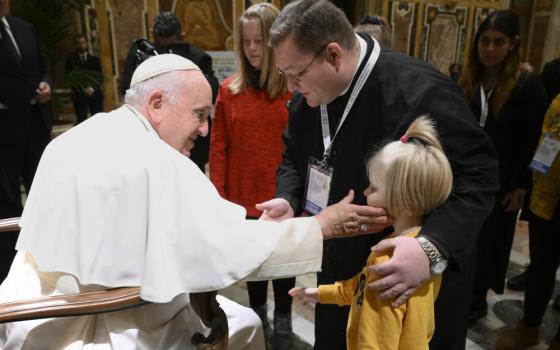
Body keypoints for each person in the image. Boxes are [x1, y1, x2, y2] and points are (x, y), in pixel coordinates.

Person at [0, 53, 380, 349]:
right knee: (246, 325)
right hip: (104, 319)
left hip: (28, 312)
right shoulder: (159, 162)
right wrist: (320, 226)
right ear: (157, 102)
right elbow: (225, 249)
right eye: (199, 114)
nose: (204, 128)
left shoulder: (72, 138)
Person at [258, 1, 499, 349]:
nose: (291, 87)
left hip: (409, 280)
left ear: (333, 55)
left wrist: (430, 247)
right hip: (341, 268)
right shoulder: (308, 97)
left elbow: (479, 176)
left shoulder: (420, 91)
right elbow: (293, 158)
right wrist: (288, 198)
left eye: (296, 74)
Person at [290, 116, 453, 350]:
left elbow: (376, 341)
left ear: (406, 201)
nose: (365, 191)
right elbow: (362, 287)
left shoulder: (388, 258)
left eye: (374, 187)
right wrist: (322, 293)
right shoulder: (421, 251)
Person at [208, 3, 294, 349]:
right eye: (246, 42)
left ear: (274, 42)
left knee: (286, 263)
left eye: (260, 41)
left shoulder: (293, 91)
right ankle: (258, 316)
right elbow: (219, 149)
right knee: (254, 267)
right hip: (243, 198)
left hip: (283, 196)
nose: (253, 49)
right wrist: (218, 198)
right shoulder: (230, 91)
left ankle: (285, 321)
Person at [457, 10, 548, 326]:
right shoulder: (469, 79)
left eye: (498, 42)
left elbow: (532, 138)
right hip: (466, 175)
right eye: (485, 41)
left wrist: (521, 184)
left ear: (513, 43)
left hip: (504, 180)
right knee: (465, 236)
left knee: (491, 243)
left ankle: (477, 298)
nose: (490, 49)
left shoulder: (527, 83)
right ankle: (460, 291)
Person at [495, 92, 560, 350]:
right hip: (548, 195)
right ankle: (529, 325)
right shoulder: (556, 87)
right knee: (541, 264)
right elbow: (538, 137)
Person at [119, 11, 218, 172]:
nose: (166, 51)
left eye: (171, 45)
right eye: (161, 45)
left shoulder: (198, 58)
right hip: (153, 140)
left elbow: (212, 90)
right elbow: (125, 88)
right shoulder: (144, 56)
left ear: (181, 36)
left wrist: (185, 78)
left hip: (191, 148)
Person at [0, 0, 52, 282]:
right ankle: (14, 266)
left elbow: (43, 66)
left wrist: (46, 84)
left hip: (35, 124)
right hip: (4, 133)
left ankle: (47, 256)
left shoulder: (24, 28)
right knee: (8, 201)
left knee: (43, 191)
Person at [64, 33, 104, 125]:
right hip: (79, 95)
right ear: (75, 44)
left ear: (86, 43)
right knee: (81, 121)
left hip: (94, 93)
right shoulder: (70, 60)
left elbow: (99, 77)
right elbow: (69, 78)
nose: (81, 45)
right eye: (78, 43)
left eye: (83, 42)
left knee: (98, 120)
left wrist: (91, 88)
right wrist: (82, 88)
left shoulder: (95, 60)